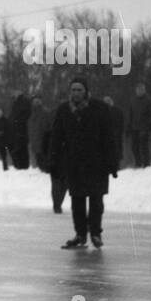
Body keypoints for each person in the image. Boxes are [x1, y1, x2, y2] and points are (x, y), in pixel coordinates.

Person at [50, 77, 119, 249]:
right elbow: (56, 138)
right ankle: (80, 234)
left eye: (79, 90)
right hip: (74, 164)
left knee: (96, 201)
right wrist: (53, 161)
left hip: (97, 163)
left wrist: (112, 162)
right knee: (77, 202)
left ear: (86, 92)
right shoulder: (64, 110)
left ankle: (95, 233)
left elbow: (109, 138)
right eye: (73, 90)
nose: (76, 93)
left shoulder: (100, 109)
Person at [127, 82, 151, 168]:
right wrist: (129, 127)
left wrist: (148, 128)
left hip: (144, 128)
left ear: (144, 90)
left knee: (144, 146)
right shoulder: (133, 101)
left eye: (141, 89)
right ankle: (138, 163)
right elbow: (130, 114)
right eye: (138, 89)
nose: (139, 91)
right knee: (134, 147)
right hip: (134, 127)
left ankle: (146, 163)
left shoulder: (148, 100)